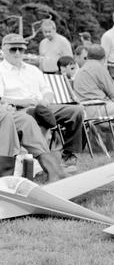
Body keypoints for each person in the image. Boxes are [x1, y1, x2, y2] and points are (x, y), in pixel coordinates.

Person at [0, 33, 84, 169]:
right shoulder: (1, 70)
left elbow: (47, 90)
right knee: (36, 112)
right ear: (3, 49)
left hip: (43, 106)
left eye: (20, 49)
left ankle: (69, 155)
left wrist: (46, 100)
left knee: (76, 111)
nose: (17, 53)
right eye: (12, 49)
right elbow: (2, 98)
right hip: (21, 109)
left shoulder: (33, 70)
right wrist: (27, 102)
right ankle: (49, 161)